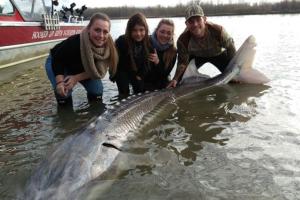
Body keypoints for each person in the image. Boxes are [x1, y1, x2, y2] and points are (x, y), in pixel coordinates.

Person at [45, 12, 118, 106]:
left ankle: (94, 115)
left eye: (105, 32)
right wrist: (59, 83)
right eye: (97, 30)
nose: (101, 36)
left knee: (97, 91)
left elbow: (97, 71)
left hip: (84, 69)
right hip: (58, 62)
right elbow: (57, 60)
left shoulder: (108, 48)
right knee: (64, 93)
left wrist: (76, 78)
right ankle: (66, 114)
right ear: (88, 29)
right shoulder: (74, 42)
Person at [167, 4, 236, 88]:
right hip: (197, 57)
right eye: (191, 21)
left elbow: (231, 49)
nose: (195, 24)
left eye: (198, 20)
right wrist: (175, 79)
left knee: (233, 78)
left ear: (204, 19)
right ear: (186, 24)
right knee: (180, 83)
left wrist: (234, 70)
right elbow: (182, 62)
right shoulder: (183, 40)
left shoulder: (218, 31)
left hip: (218, 55)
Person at [114, 12, 157, 97]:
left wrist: (140, 76)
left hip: (140, 71)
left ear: (146, 29)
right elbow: (120, 65)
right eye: (134, 30)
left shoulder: (150, 41)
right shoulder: (121, 41)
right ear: (129, 30)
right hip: (123, 71)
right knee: (124, 92)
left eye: (141, 30)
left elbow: (148, 63)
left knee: (140, 91)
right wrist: (133, 76)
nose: (138, 34)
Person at [148, 19, 177, 90]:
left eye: (169, 33)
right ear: (156, 30)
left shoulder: (173, 50)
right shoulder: (147, 42)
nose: (165, 35)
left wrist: (157, 62)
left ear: (172, 35)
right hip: (145, 83)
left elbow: (165, 74)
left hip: (162, 83)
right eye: (162, 32)